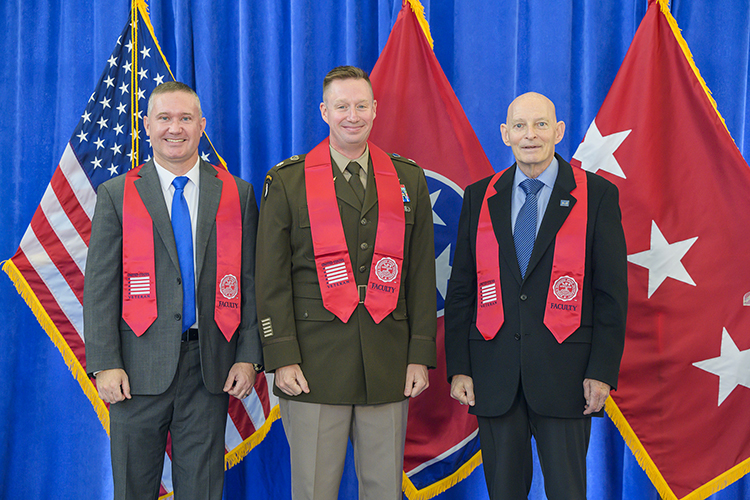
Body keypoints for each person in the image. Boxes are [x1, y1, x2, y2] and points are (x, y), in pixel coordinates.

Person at [255, 66, 436, 500]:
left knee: (384, 491)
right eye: (341, 106)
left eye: (360, 106)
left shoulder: (408, 178)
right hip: (313, 366)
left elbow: (421, 274)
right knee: (314, 491)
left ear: (375, 110)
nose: (351, 115)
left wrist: (419, 354)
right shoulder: (288, 180)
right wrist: (281, 357)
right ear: (324, 111)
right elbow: (271, 279)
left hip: (387, 360)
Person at [84, 81, 262, 500]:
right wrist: (105, 362)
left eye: (185, 118)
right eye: (164, 118)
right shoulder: (117, 194)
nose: (174, 128)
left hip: (210, 366)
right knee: (134, 488)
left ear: (201, 126)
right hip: (135, 369)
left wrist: (250, 357)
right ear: (148, 125)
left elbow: (253, 283)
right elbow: (100, 287)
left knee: (201, 490)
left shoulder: (237, 194)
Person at [444, 92, 627, 500]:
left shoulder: (596, 195)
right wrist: (460, 367)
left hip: (567, 375)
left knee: (567, 492)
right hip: (495, 375)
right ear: (505, 134)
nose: (531, 135)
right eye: (521, 126)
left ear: (559, 131)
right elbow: (462, 290)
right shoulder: (479, 196)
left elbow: (611, 292)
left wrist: (602, 370)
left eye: (541, 124)